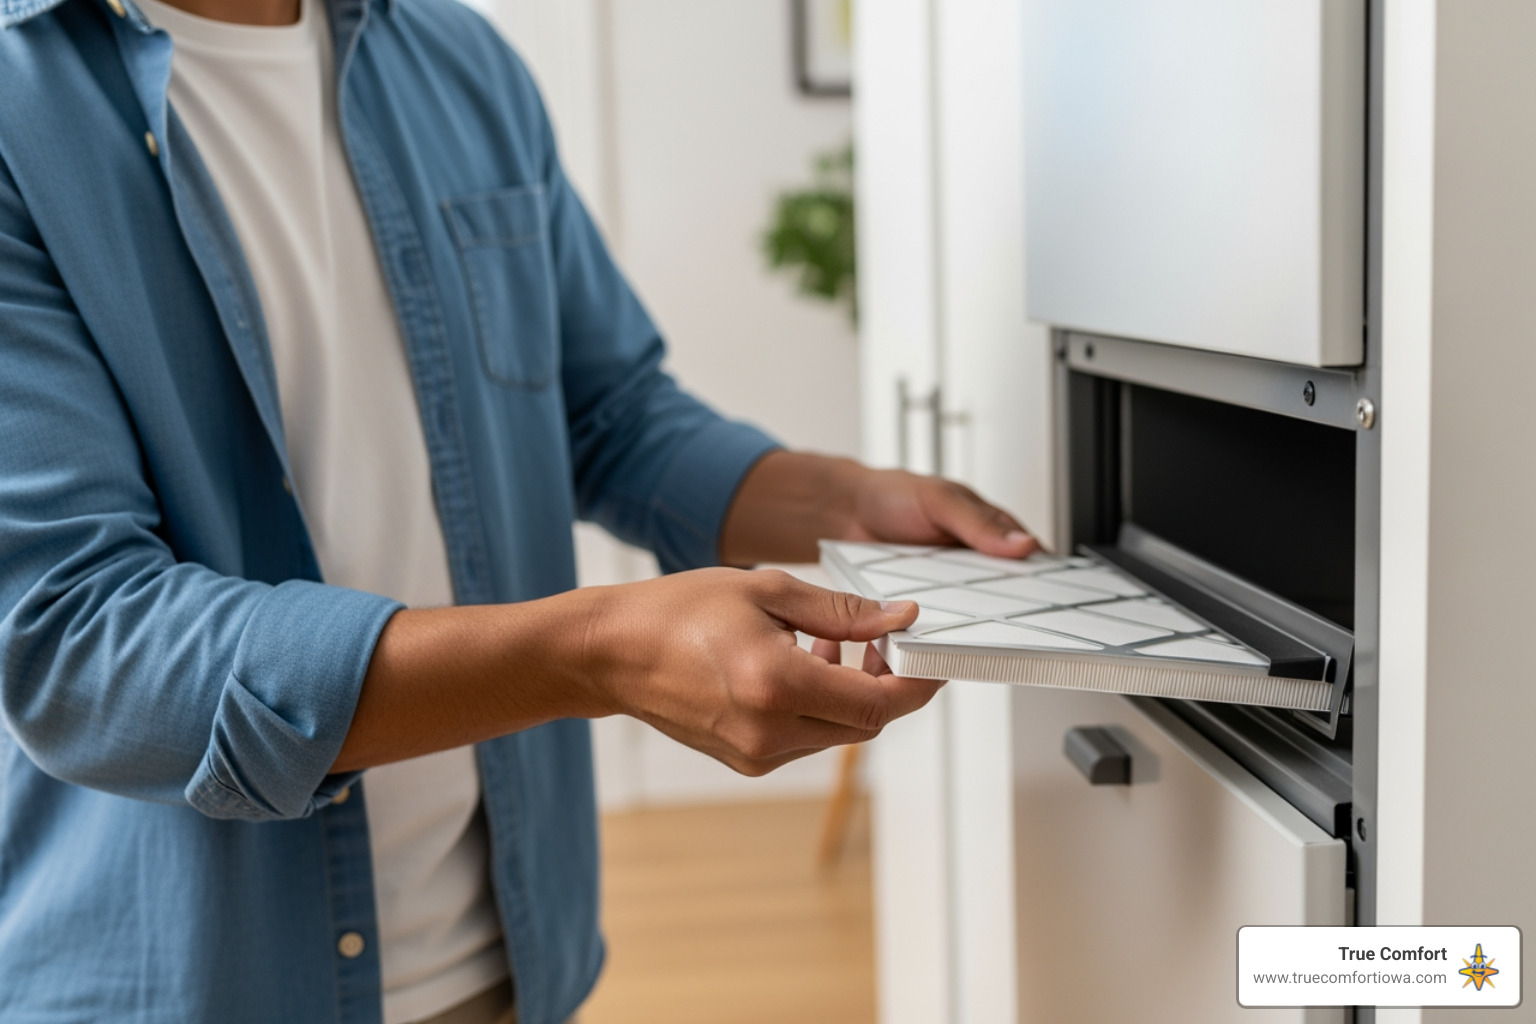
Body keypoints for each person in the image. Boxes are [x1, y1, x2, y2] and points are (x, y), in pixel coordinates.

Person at [0, 0, 1036, 1020]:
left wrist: (848, 502)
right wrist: (596, 653)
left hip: (510, 962)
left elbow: (610, 414)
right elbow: (80, 640)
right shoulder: (19, 99)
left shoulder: (456, 59)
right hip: (191, 988)